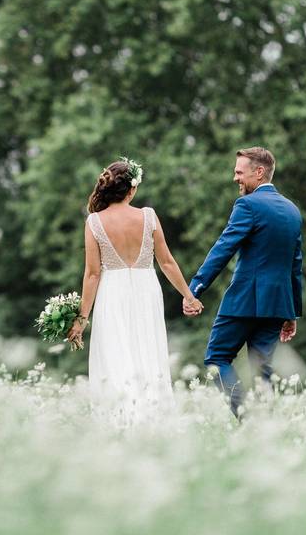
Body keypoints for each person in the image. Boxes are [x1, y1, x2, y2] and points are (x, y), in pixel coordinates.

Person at [67, 158, 202, 421]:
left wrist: (81, 320)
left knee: (115, 355)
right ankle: (152, 418)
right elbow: (166, 262)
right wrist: (189, 295)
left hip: (112, 294)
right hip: (146, 291)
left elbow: (93, 274)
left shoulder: (94, 222)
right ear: (132, 189)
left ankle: (121, 421)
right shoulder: (148, 216)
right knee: (148, 353)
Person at [185, 147, 303, 417]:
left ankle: (248, 418)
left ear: (259, 172)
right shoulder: (292, 211)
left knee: (217, 358)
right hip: (277, 304)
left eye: (239, 172)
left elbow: (223, 249)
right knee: (262, 371)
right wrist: (291, 311)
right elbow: (295, 264)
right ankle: (264, 432)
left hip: (244, 299)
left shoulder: (247, 205)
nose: (235, 178)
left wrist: (194, 289)